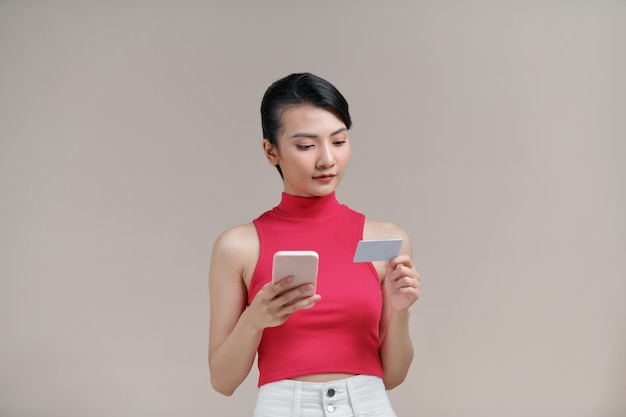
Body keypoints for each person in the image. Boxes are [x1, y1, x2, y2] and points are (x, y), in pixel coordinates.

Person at [208, 72, 421, 416]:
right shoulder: (239, 246)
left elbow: (393, 375)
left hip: (367, 404)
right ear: (270, 151)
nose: (327, 160)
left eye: (338, 141)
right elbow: (223, 381)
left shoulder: (385, 239)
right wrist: (255, 320)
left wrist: (400, 311)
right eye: (306, 146)